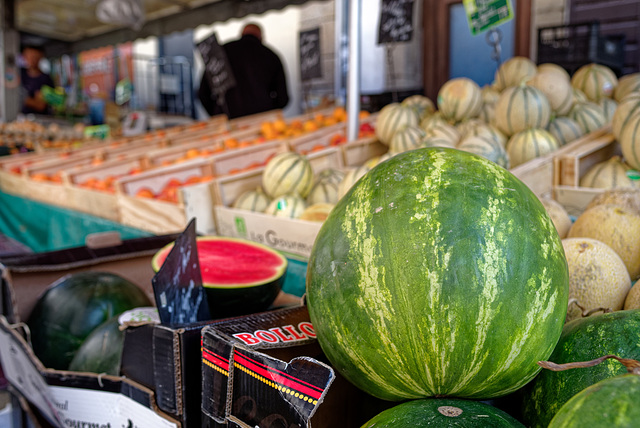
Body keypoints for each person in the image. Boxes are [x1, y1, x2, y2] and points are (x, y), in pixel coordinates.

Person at [198, 23, 289, 119]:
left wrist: (217, 114)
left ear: (241, 34)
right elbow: (283, 99)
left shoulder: (220, 53)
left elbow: (203, 94)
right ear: (261, 37)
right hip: (262, 120)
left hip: (228, 121)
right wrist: (268, 109)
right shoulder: (272, 56)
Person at [20, 45, 54, 115]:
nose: (31, 59)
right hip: (22, 118)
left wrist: (19, 98)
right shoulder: (20, 73)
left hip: (40, 118)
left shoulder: (46, 79)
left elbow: (40, 105)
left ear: (41, 57)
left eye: (34, 56)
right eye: (28, 56)